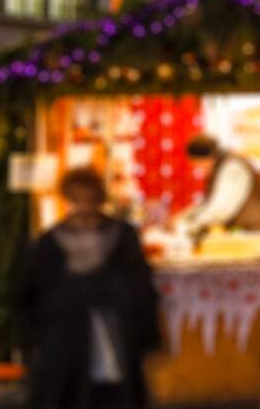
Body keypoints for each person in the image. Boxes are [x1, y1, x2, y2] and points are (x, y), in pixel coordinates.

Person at [18, 166, 163, 408]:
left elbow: (140, 287)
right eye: (78, 199)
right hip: (66, 339)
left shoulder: (122, 236)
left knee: (113, 393)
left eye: (89, 199)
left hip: (114, 331)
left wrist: (145, 333)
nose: (84, 207)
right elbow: (30, 292)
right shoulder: (50, 242)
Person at [177, 133, 260, 236]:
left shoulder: (233, 167)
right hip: (243, 236)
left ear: (205, 159)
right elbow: (210, 204)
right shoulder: (222, 166)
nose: (200, 170)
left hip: (255, 236)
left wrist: (192, 226)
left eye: (198, 166)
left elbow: (220, 210)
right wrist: (186, 216)